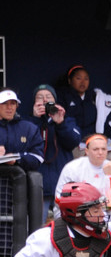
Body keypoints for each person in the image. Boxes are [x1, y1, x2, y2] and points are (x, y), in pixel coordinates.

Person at [54, 134, 111, 257]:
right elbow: (59, 197)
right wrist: (85, 209)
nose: (100, 152)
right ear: (87, 151)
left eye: (103, 149)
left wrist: (110, 178)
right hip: (73, 211)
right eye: (96, 149)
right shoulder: (73, 168)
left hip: (102, 210)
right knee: (93, 217)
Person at [29, 84, 81, 221]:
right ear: (34, 102)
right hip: (39, 186)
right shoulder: (28, 123)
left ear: (55, 101)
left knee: (66, 227)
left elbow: (74, 141)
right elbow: (25, 144)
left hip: (62, 184)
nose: (44, 101)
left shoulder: (66, 120)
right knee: (36, 227)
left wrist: (61, 123)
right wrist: (35, 119)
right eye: (40, 97)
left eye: (48, 97)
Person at [57, 64, 111, 168]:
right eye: (78, 78)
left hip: (97, 141)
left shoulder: (96, 97)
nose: (83, 82)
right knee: (83, 162)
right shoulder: (62, 97)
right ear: (70, 81)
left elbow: (108, 120)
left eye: (86, 79)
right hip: (76, 144)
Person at [0, 88, 44, 173]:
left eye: (12, 103)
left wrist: (17, 158)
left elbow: (38, 158)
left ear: (17, 105)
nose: (9, 107)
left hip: (20, 183)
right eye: (4, 103)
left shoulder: (30, 128)